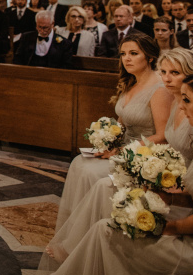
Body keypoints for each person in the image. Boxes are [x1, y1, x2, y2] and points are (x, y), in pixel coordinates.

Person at [42, 71, 193, 275]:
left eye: (187, 100)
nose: (181, 107)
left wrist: (165, 229)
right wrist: (165, 195)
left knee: (105, 231)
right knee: (115, 216)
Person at [40, 47, 193, 271]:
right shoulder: (176, 101)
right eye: (163, 72)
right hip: (159, 166)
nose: (166, 79)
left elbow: (170, 141)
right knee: (90, 173)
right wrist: (110, 139)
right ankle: (78, 249)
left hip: (178, 179)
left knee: (101, 183)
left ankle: (90, 253)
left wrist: (147, 167)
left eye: (175, 73)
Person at [50, 33, 172, 249]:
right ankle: (77, 236)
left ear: (150, 57)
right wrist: (108, 139)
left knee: (91, 172)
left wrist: (123, 150)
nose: (127, 59)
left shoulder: (159, 88)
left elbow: (162, 135)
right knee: (80, 162)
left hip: (145, 154)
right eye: (124, 54)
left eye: (134, 53)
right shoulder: (131, 83)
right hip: (123, 148)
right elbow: (121, 123)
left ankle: (86, 242)